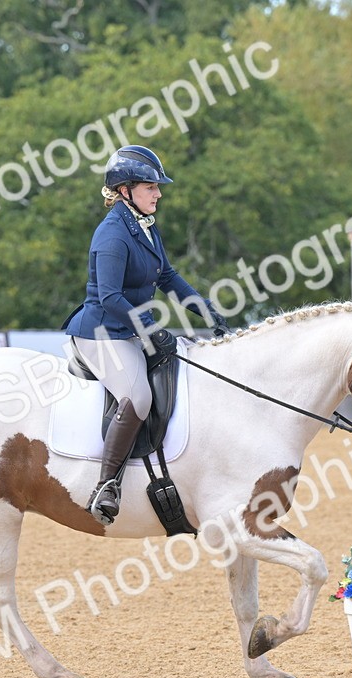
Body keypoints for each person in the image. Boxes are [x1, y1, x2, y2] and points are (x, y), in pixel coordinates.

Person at [63, 145, 230, 525]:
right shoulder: (112, 235)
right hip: (101, 334)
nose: (158, 193)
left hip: (127, 332)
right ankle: (106, 485)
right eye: (151, 187)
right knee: (137, 396)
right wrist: (151, 328)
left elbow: (168, 277)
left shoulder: (144, 228)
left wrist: (203, 308)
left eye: (157, 187)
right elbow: (109, 297)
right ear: (125, 190)